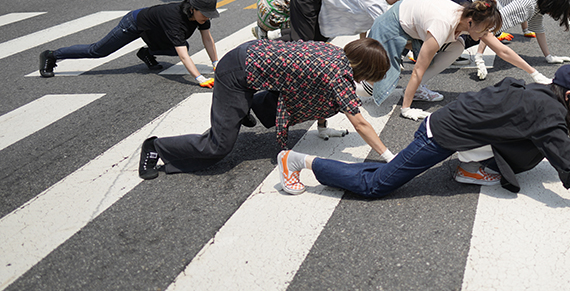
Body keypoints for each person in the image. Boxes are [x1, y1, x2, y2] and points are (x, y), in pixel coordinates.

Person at [274, 65, 570, 225]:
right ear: (568, 95)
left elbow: (502, 92)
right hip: (440, 134)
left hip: (456, 125)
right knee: (376, 186)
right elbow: (569, 167)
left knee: (389, 172)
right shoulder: (548, 114)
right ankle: (297, 161)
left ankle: (469, 168)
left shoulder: (541, 93)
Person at [139, 38, 393, 180]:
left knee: (328, 100)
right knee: (219, 146)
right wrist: (389, 158)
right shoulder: (337, 74)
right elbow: (359, 122)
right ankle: (156, 147)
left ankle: (245, 107)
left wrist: (323, 125)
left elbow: (323, 95)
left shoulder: (336, 54)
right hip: (236, 73)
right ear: (366, 69)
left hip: (252, 56)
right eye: (374, 76)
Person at [368, 0, 552, 120]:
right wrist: (406, 109)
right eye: (484, 31)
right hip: (393, 25)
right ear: (470, 22)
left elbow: (502, 51)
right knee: (373, 87)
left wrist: (534, 74)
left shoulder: (471, 19)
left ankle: (416, 90)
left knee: (457, 46)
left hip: (415, 28)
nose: (486, 35)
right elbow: (418, 69)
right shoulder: (443, 24)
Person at [39, 0, 220, 87]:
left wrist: (215, 64)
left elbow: (207, 39)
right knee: (98, 51)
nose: (207, 17)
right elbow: (183, 56)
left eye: (209, 14)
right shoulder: (174, 19)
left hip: (154, 30)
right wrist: (199, 78)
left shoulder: (201, 17)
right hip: (133, 23)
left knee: (182, 45)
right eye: (205, 13)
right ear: (192, 8)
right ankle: (51, 55)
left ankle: (147, 53)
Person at [445, 0, 570, 80]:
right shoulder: (526, 4)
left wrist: (548, 56)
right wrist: (479, 57)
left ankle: (444, 49)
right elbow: (491, 27)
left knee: (462, 27)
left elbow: (538, 28)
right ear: (552, 4)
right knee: (469, 28)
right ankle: (442, 51)